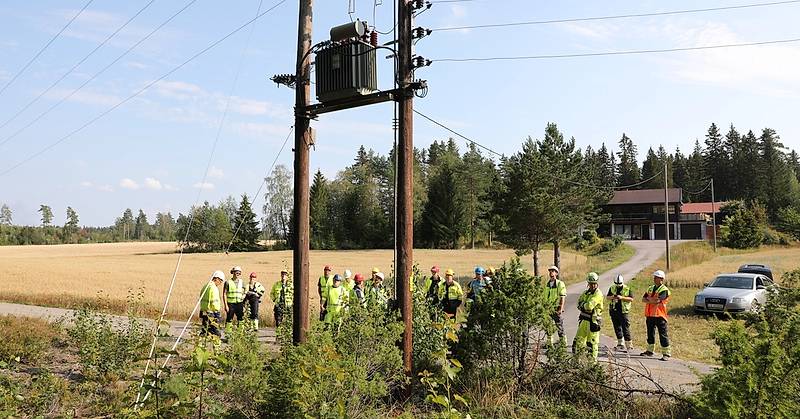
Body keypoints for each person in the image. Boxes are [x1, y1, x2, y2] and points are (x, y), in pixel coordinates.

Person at [641, 270, 672, 361]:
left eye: (656, 277)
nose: (654, 279)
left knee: (663, 335)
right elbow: (643, 299)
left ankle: (666, 353)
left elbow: (657, 301)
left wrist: (649, 299)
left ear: (661, 279)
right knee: (650, 334)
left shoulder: (664, 290)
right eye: (654, 277)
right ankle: (649, 351)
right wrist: (652, 300)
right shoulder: (650, 288)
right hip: (650, 315)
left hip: (660, 316)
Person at [573, 272, 604, 361]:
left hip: (593, 322)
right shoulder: (586, 293)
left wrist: (584, 306)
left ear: (597, 283)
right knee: (578, 342)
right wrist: (584, 306)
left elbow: (589, 306)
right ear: (588, 283)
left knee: (592, 344)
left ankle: (592, 365)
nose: (592, 286)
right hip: (584, 320)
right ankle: (577, 361)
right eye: (591, 284)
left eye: (594, 283)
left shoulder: (598, 294)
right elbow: (578, 303)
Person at [606, 274, 634, 352]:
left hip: (623, 311)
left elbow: (631, 299)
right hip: (614, 310)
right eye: (616, 284)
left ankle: (629, 345)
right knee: (617, 327)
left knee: (625, 328)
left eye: (619, 284)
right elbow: (607, 297)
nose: (618, 286)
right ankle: (620, 344)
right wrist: (613, 297)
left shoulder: (627, 288)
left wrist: (622, 298)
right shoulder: (612, 288)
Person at [543, 265, 567, 346]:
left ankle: (563, 342)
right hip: (548, 308)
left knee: (559, 325)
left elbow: (562, 296)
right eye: (550, 271)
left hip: (556, 308)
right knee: (548, 326)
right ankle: (550, 343)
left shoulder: (560, 284)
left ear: (556, 273)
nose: (551, 273)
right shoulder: (547, 284)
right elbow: (544, 297)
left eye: (553, 271)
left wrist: (560, 308)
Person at [199, 270, 225, 338]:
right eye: (221, 281)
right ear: (216, 278)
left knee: (205, 330)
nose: (221, 283)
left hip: (204, 311)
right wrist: (217, 312)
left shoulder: (205, 286)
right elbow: (214, 303)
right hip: (211, 313)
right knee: (216, 332)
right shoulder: (213, 288)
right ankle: (216, 346)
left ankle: (200, 344)